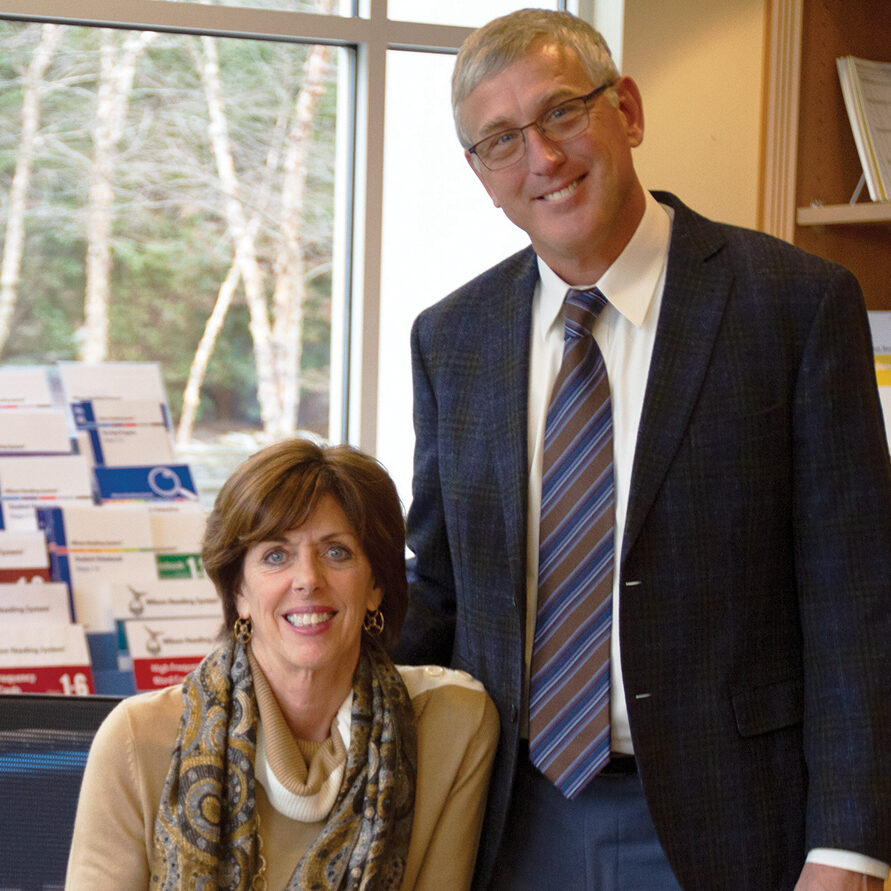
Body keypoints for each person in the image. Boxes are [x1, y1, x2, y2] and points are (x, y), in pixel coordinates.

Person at [394, 8, 891, 891]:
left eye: (560, 113)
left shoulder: (793, 306)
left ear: (625, 109)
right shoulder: (451, 338)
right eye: (501, 140)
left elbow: (855, 595)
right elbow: (437, 590)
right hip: (511, 820)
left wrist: (846, 846)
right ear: (480, 175)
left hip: (734, 820)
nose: (542, 159)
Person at [66, 438, 498, 890]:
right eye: (276, 555)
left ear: (376, 588)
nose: (308, 579)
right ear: (239, 593)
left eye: (337, 552)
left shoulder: (451, 727)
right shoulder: (137, 740)